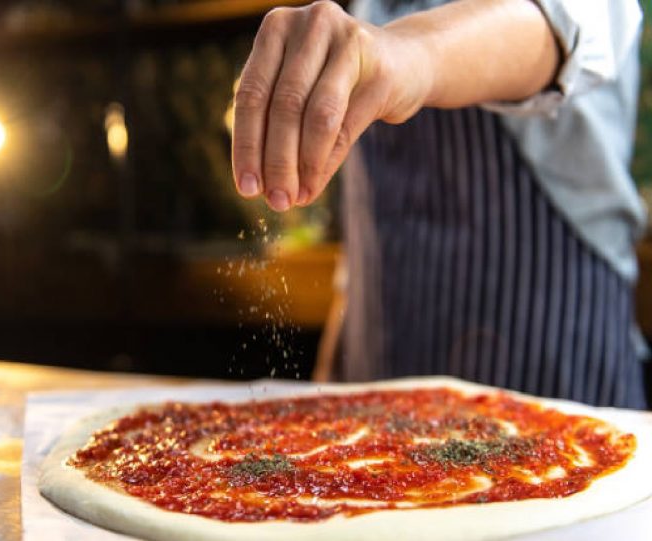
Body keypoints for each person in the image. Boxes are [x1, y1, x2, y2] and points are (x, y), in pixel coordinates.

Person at [231, 0, 648, 409]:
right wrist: (338, 343)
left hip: (548, 358)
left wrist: (406, 53)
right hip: (380, 362)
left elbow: (569, 22)